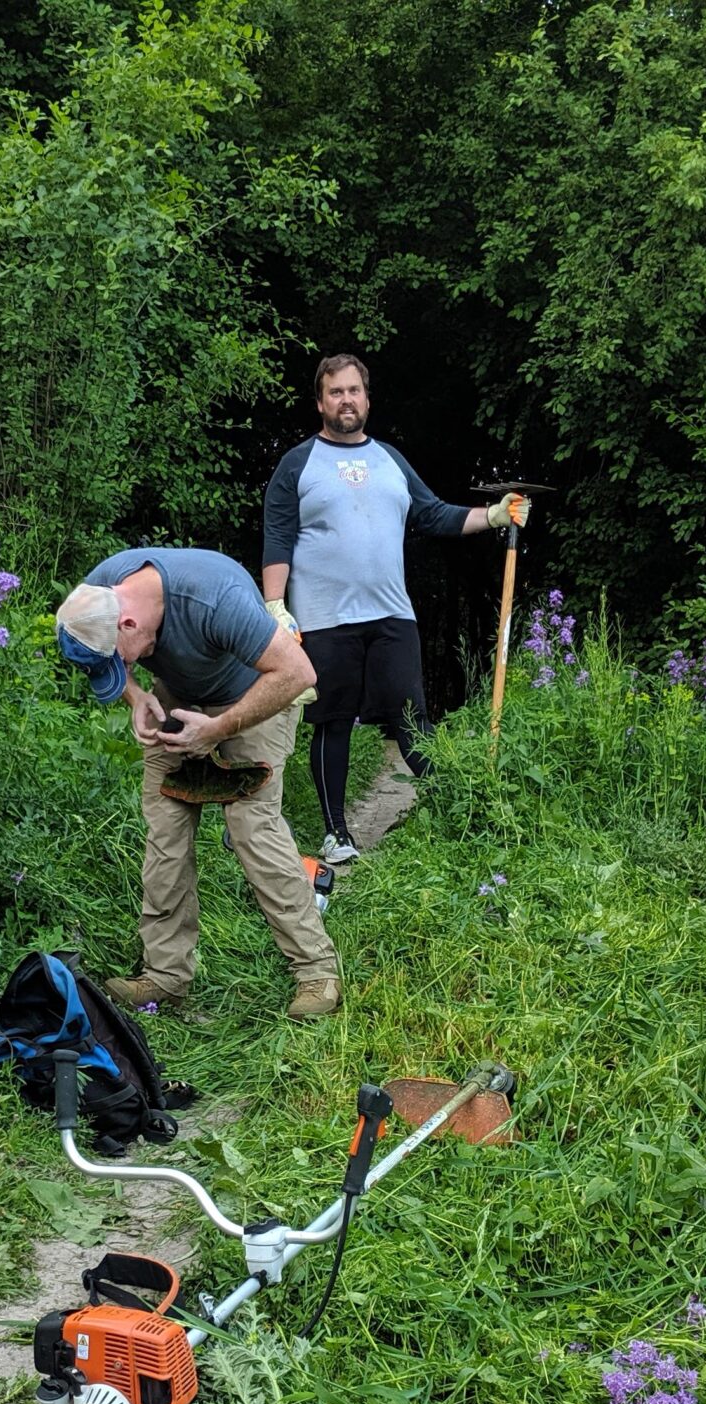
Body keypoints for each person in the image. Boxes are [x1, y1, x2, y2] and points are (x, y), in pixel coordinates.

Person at [261, 353, 529, 864]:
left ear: (367, 398)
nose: (346, 400)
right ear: (320, 402)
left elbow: (432, 514)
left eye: (354, 390)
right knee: (333, 720)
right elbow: (278, 534)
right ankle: (337, 834)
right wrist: (275, 605)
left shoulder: (389, 460)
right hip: (324, 617)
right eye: (335, 392)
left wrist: (495, 515)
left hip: (391, 614)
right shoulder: (299, 463)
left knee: (412, 717)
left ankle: (459, 815)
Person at [54, 548, 341, 1021]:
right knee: (164, 833)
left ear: (128, 624)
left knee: (255, 831)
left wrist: (218, 729)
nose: (123, 663)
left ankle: (316, 973)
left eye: (122, 658)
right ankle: (164, 977)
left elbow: (297, 673)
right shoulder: (99, 593)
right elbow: (106, 657)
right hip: (181, 697)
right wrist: (137, 695)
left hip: (258, 695)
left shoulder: (213, 598)